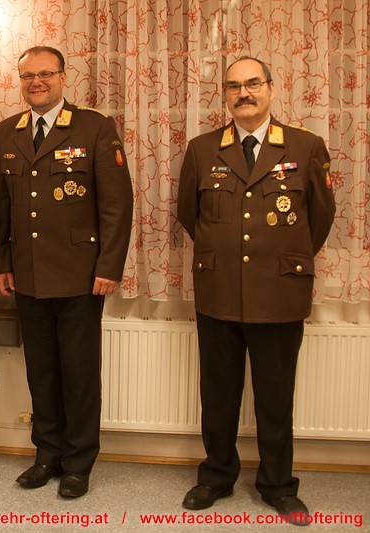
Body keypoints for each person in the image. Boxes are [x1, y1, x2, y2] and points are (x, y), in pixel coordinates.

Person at [177, 56, 336, 526]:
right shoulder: (203, 149)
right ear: (225, 95)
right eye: (233, 86)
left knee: (275, 397)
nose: (243, 93)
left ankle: (278, 485)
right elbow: (190, 213)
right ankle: (216, 476)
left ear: (270, 88)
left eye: (252, 84)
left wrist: (282, 255)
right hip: (219, 290)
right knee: (218, 393)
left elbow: (320, 217)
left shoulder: (306, 146)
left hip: (279, 292)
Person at [0, 46, 134, 498]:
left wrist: (109, 266)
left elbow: (117, 204)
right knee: (42, 372)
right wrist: (2, 263)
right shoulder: (5, 133)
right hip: (28, 274)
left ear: (63, 77)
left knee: (79, 374)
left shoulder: (94, 127)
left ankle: (78, 463)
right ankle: (46, 455)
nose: (37, 82)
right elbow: (0, 207)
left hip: (80, 275)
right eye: (28, 76)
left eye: (45, 74)